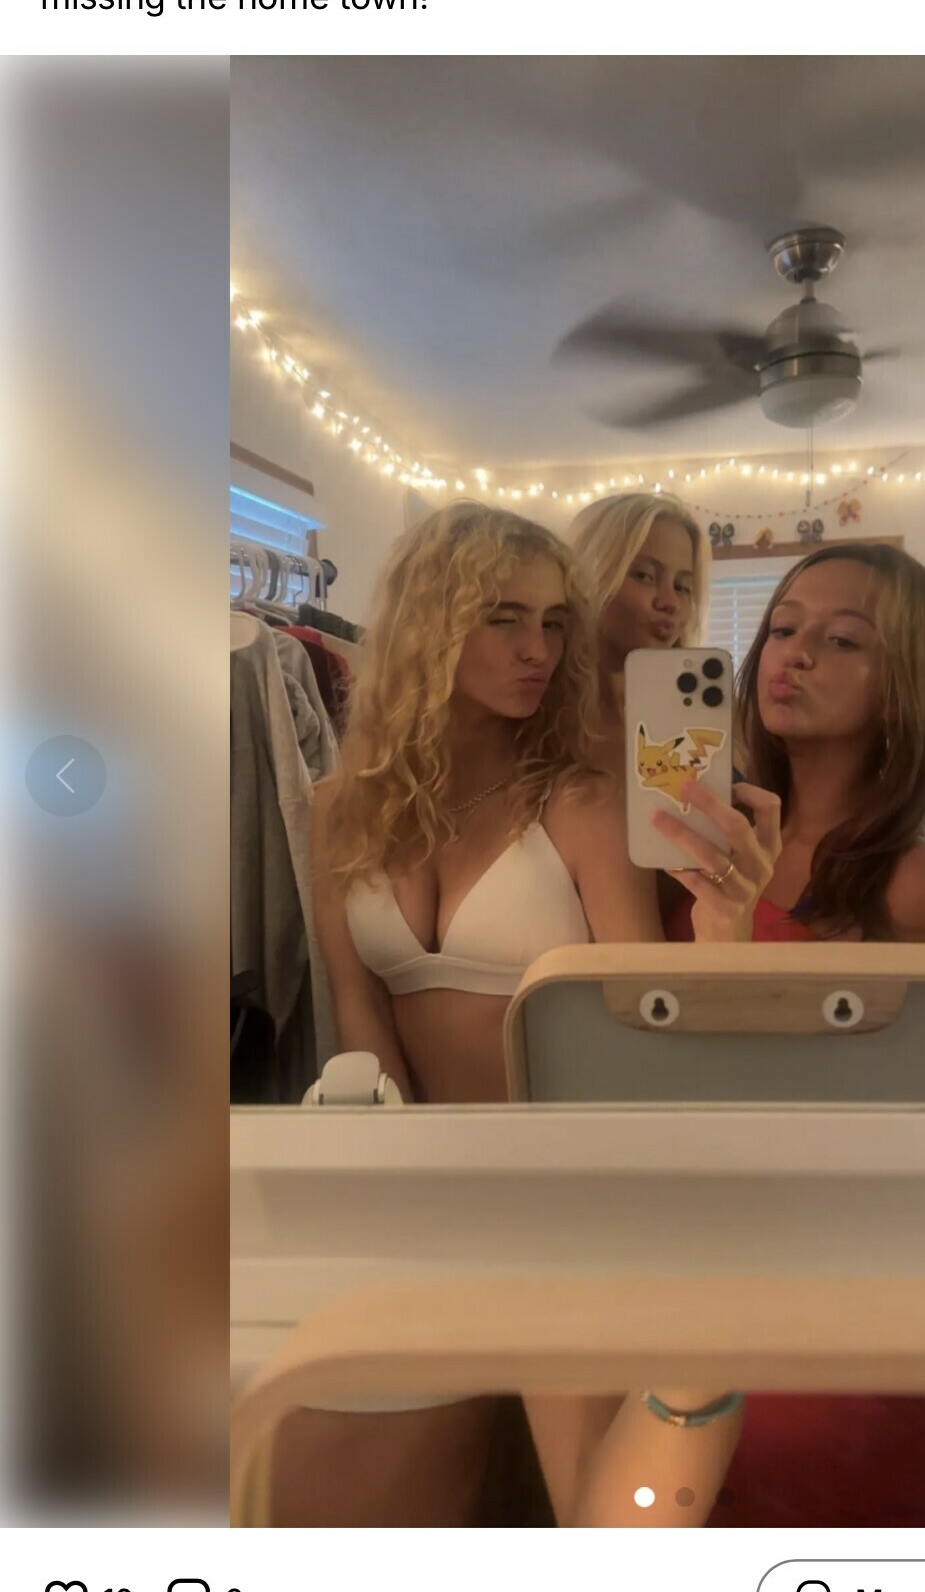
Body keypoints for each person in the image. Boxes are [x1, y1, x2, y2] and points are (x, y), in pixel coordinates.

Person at [270, 501, 776, 1527]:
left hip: (578, 1187)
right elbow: (358, 1007)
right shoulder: (338, 807)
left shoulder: (579, 802)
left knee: (595, 1510)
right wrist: (407, 1189)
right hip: (420, 1187)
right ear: (429, 625)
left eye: (553, 623)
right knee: (392, 1500)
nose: (539, 650)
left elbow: (647, 1017)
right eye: (503, 618)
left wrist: (726, 920)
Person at [664, 541, 925, 1525]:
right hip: (719, 1253)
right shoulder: (717, 842)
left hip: (866, 1290)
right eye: (782, 628)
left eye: (844, 640)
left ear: (905, 684)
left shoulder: (917, 887)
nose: (795, 655)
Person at [566, 490, 710, 772]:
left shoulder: (712, 714)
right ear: (588, 577)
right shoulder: (534, 715)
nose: (670, 602)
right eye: (644, 576)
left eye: (682, 586)